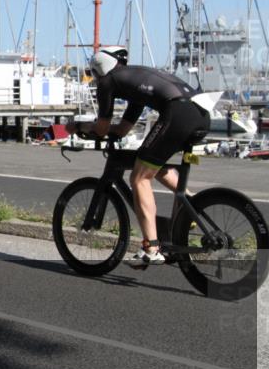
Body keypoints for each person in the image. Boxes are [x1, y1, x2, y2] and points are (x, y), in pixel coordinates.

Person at [67, 46, 211, 268]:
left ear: (97, 69)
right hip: (200, 114)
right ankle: (192, 206)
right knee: (152, 163)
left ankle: (151, 248)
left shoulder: (107, 81)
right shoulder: (134, 82)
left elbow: (103, 128)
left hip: (179, 114)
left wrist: (78, 126)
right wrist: (107, 130)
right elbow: (123, 129)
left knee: (139, 178)